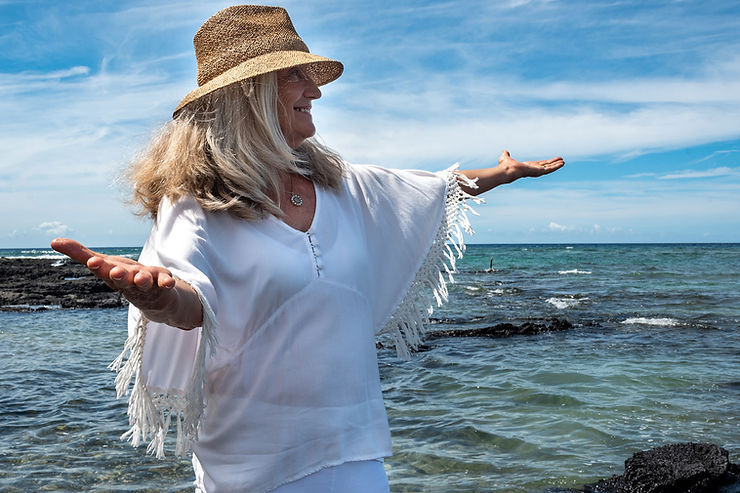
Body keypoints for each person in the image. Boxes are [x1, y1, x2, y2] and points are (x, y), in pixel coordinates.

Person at [51, 5, 564, 493]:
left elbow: (433, 189)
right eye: (295, 76)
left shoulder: (345, 187)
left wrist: (503, 174)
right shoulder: (198, 205)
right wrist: (159, 298)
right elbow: (190, 299)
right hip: (253, 466)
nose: (314, 90)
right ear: (247, 94)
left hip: (354, 447)